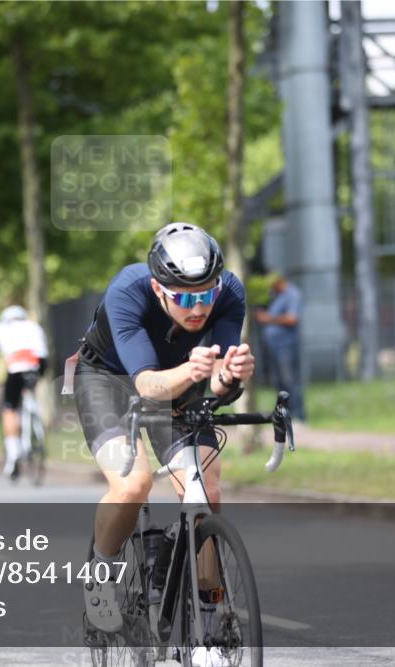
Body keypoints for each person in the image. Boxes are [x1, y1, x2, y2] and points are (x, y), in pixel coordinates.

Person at [73, 223, 254, 663]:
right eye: (186, 298)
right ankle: (101, 569)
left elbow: (219, 382)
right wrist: (196, 373)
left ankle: (209, 618)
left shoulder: (228, 292)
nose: (199, 308)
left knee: (206, 488)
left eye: (207, 294)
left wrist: (230, 377)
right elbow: (148, 384)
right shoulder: (127, 292)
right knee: (132, 486)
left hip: (179, 379)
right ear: (158, 288)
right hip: (111, 381)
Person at [0, 305, 48, 480]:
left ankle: (13, 453)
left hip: (16, 368)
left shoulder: (0, 329)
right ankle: (34, 412)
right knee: (29, 389)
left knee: (10, 409)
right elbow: (43, 353)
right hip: (37, 365)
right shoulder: (34, 326)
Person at [255, 273, 306, 421]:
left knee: (291, 382)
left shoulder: (293, 294)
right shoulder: (275, 296)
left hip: (287, 346)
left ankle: (298, 416)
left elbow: (292, 318)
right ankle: (284, 416)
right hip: (273, 346)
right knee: (280, 383)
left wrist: (268, 318)